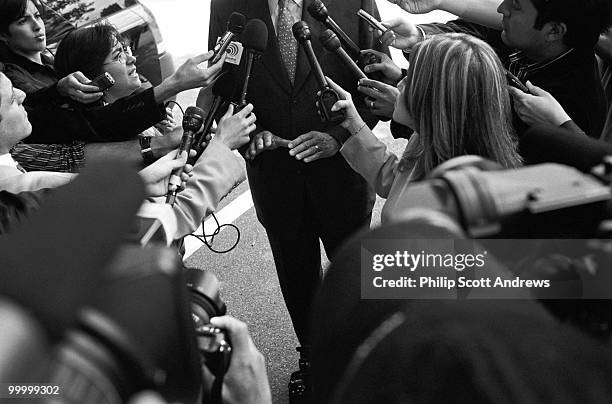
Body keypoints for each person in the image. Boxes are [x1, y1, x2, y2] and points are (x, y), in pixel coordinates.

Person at [206, 0, 387, 397]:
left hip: (344, 172)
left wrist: (338, 139)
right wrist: (250, 138)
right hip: (275, 175)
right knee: (296, 271)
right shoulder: (227, 5)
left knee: (356, 270)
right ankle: (314, 357)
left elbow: (374, 84)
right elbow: (223, 85)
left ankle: (371, 353)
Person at [0, 70, 251, 238]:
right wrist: (221, 147)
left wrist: (140, 182)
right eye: (11, 98)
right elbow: (156, 228)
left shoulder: (18, 176)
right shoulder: (16, 197)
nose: (23, 95)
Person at [0, 0, 225, 171]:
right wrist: (223, 143)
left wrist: (200, 108)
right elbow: (178, 200)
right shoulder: (14, 80)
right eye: (118, 54)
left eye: (38, 16)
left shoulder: (49, 60)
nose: (38, 26)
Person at [328, 33, 522, 224]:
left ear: (437, 101)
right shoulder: (426, 137)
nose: (400, 82)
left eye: (411, 79)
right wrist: (353, 123)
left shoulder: (455, 204)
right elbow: (396, 182)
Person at [379, 0, 611, 138]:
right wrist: (419, 38)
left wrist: (414, 113)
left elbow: (480, 150)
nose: (501, 9)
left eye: (516, 6)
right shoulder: (519, 38)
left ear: (554, 31)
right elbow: (465, 35)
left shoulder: (568, 108)